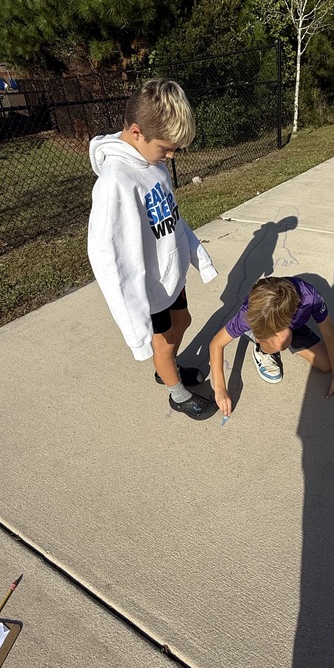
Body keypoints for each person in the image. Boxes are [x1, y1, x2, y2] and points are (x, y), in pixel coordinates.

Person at [88, 79, 219, 420]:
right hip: (150, 288)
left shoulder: (152, 163)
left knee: (185, 320)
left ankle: (168, 367)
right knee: (162, 343)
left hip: (170, 275)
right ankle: (175, 390)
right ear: (136, 132)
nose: (171, 156)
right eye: (166, 147)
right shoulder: (115, 186)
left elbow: (171, 218)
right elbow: (109, 260)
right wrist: (134, 326)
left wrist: (194, 252)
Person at [209, 275, 334, 417]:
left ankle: (286, 336)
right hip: (274, 322)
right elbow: (217, 343)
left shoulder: (311, 298)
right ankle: (261, 347)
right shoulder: (251, 312)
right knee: (281, 339)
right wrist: (220, 388)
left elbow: (330, 335)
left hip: (289, 323)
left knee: (327, 365)